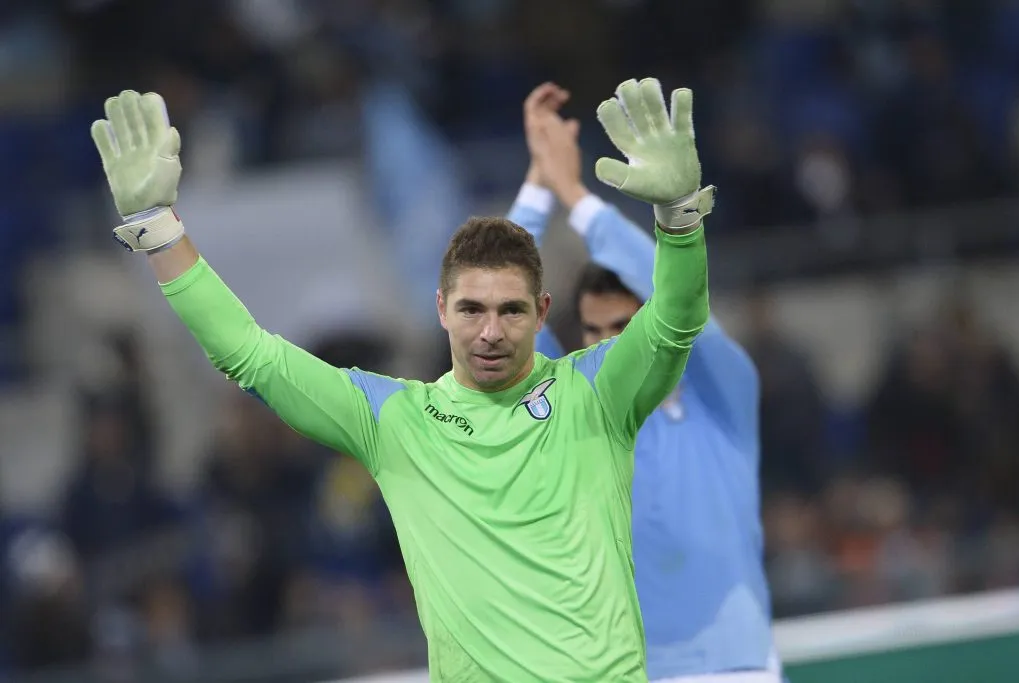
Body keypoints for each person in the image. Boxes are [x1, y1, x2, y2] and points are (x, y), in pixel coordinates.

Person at [89, 78, 715, 681]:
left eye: (510, 311)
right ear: (441, 309)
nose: (490, 331)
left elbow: (675, 320)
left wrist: (679, 219)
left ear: (542, 312)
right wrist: (159, 230)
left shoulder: (596, 392)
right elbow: (248, 355)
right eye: (471, 310)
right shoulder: (395, 419)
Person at [508, 83, 781, 683]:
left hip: (737, 669)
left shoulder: (723, 395)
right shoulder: (573, 413)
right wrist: (537, 185)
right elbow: (496, 322)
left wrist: (577, 198)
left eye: (625, 326)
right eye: (594, 330)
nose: (609, 342)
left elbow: (682, 296)